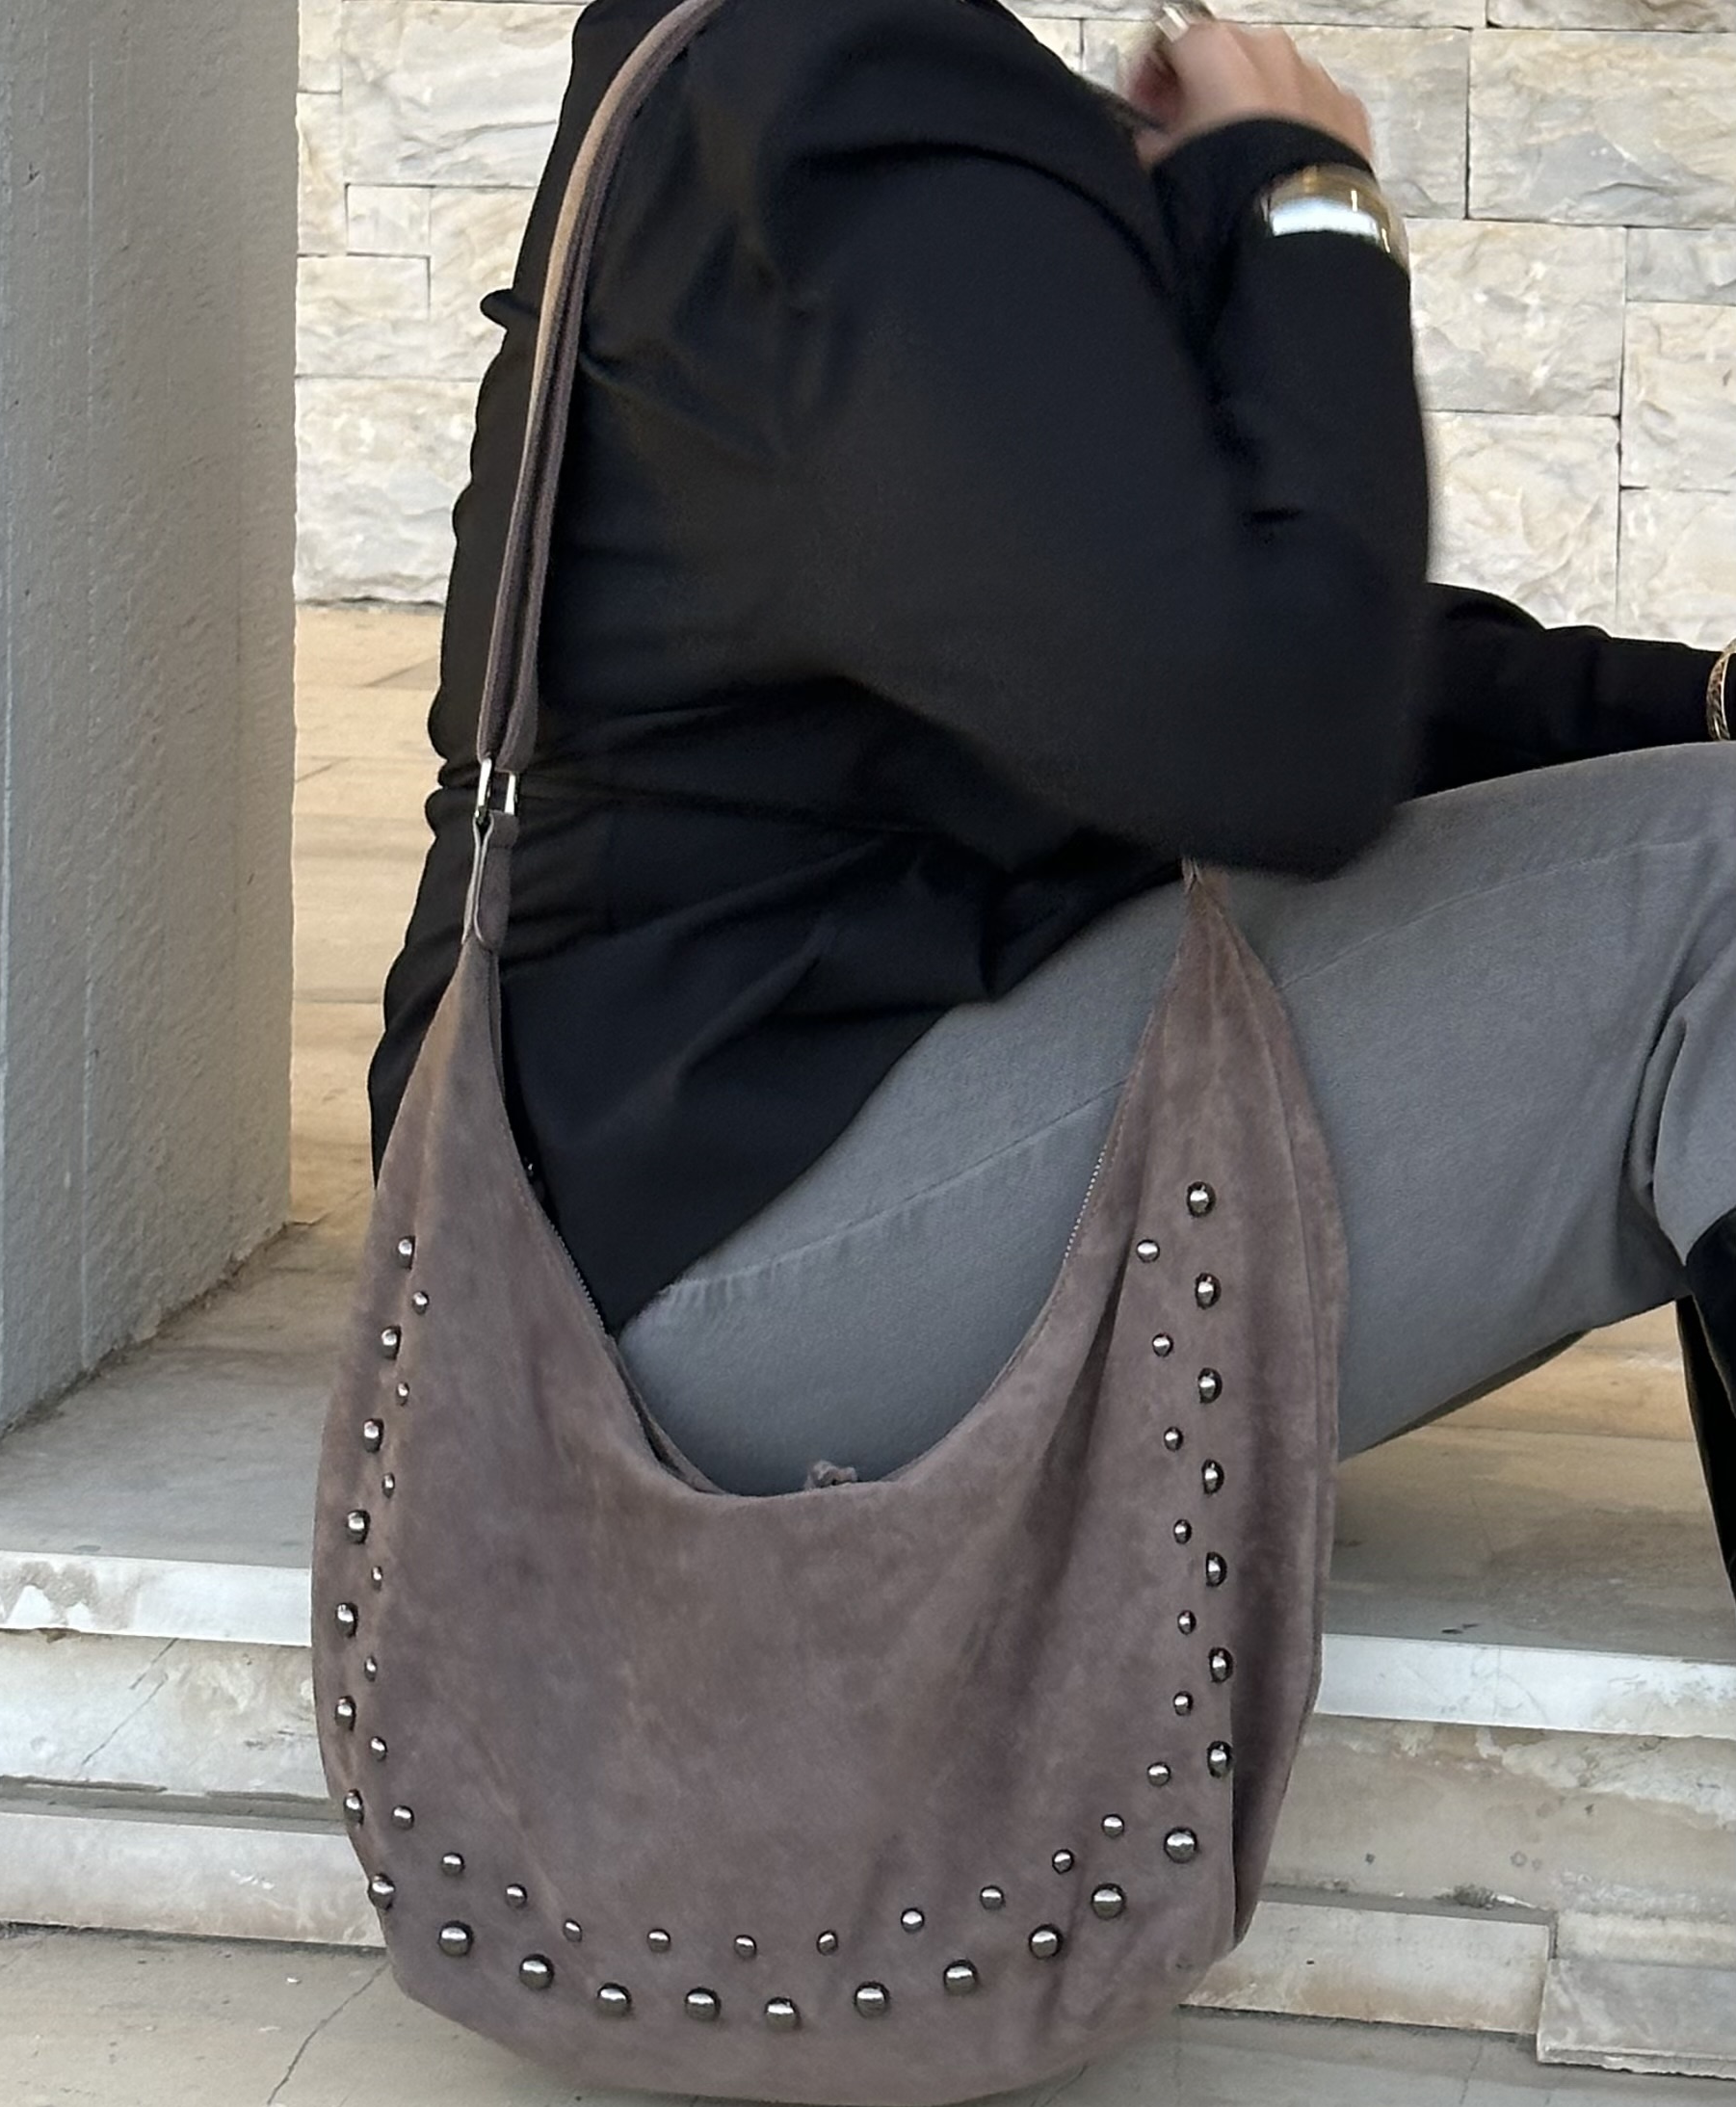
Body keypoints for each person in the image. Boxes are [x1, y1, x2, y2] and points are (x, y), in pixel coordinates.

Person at [372, 0, 1736, 1568]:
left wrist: (1693, 701)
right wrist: (1309, 202)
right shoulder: (848, 91)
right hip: (676, 1273)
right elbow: (1280, 741)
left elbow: (1153, 614)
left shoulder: (787, 75)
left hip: (674, 1195)